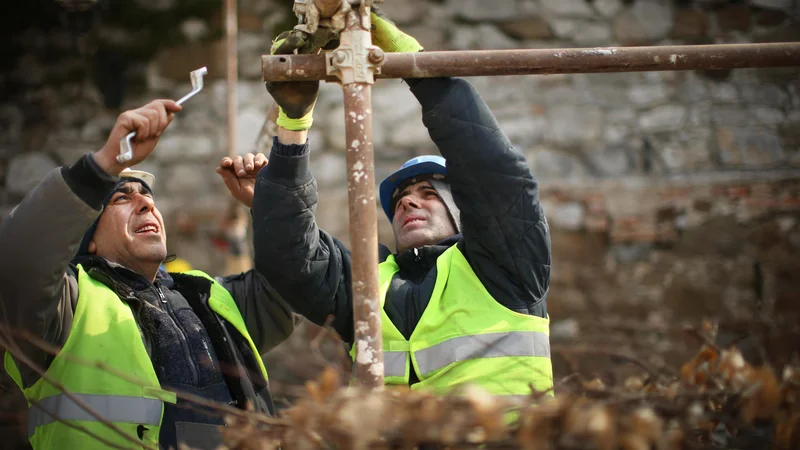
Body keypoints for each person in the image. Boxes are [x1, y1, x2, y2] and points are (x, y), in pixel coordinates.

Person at [249, 11, 553, 398]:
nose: (408, 200)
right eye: (399, 200)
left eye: (428, 192)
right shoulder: (367, 282)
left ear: (463, 211)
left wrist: (412, 60)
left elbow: (494, 173)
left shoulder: (507, 263)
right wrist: (293, 123)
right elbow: (288, 256)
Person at [0, 99, 295, 450]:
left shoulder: (210, 297)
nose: (146, 203)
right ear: (88, 241)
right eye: (121, 198)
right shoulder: (64, 307)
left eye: (147, 196)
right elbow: (19, 262)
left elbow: (293, 283)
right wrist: (103, 166)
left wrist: (269, 205)